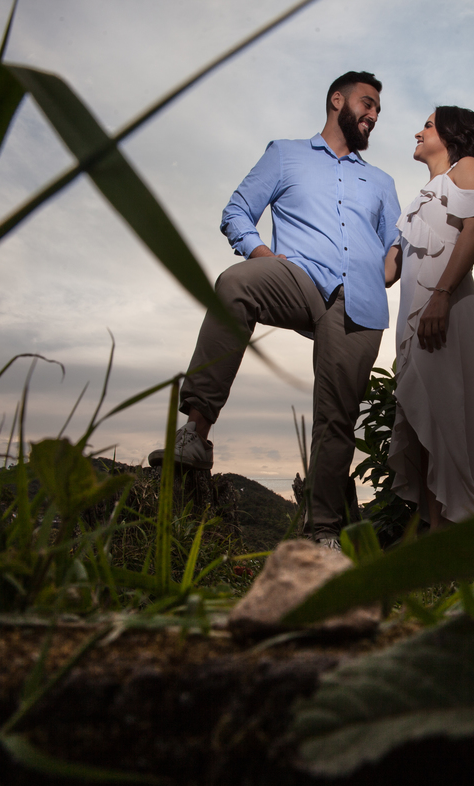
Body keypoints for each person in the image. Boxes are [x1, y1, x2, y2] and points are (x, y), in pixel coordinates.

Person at [149, 71, 401, 548]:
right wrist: (261, 254)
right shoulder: (285, 155)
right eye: (367, 104)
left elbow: (396, 242)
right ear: (336, 100)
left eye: (377, 112)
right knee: (235, 284)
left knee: (336, 416)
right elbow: (237, 211)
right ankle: (196, 433)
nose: (372, 116)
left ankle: (323, 531)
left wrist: (389, 266)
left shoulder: (381, 182)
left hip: (361, 302)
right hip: (301, 278)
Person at [384, 106, 474, 528]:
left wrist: (440, 295)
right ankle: (436, 535)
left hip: (446, 307)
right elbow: (388, 272)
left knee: (444, 415)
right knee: (421, 418)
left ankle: (468, 527)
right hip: (412, 317)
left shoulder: (467, 167)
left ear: (452, 133)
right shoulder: (417, 198)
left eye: (426, 125)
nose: (417, 132)